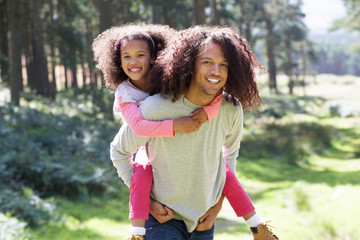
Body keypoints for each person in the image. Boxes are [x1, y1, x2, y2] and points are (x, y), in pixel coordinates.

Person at [110, 25, 279, 239]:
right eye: (207, 62)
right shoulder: (155, 108)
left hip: (204, 223)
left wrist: (217, 205)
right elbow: (119, 152)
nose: (215, 71)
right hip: (163, 222)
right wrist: (147, 203)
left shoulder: (231, 109)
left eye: (223, 65)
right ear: (189, 64)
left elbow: (228, 158)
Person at [92, 24, 223, 240]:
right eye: (127, 56)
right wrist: (175, 125)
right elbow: (139, 127)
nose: (133, 62)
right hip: (145, 149)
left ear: (153, 57)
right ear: (119, 61)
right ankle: (136, 232)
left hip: (176, 168)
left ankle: (255, 222)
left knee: (227, 173)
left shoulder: (165, 78)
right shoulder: (125, 93)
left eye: (140, 55)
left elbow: (212, 93)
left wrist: (209, 111)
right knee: (142, 173)